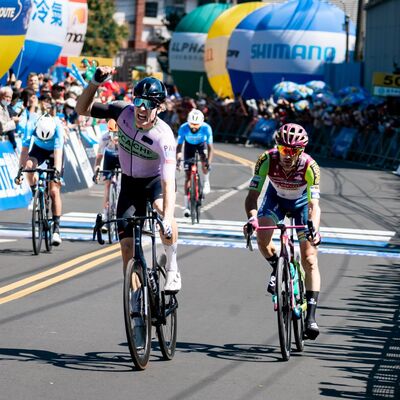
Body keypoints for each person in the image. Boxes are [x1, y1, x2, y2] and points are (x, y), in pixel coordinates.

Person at [76, 67, 181, 293]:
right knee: (126, 249)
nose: (142, 108)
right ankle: (137, 304)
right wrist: (94, 83)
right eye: (139, 101)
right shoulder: (122, 112)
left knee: (163, 209)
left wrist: (168, 217)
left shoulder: (164, 137)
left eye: (150, 103)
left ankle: (172, 268)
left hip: (154, 183)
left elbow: (168, 181)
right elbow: (81, 109)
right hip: (129, 185)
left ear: (159, 108)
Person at [244, 123, 322, 340]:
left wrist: (313, 227)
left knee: (309, 258)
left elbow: (315, 206)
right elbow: (252, 196)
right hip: (275, 199)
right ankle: (276, 267)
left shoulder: (310, 166)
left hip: (301, 204)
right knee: (262, 238)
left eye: (294, 151)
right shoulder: (266, 159)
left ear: (302, 151)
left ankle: (311, 317)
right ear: (277, 146)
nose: (287, 155)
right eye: (283, 149)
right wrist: (252, 219)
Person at [16, 113, 64, 246]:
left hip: (54, 151)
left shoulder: (58, 127)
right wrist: (20, 171)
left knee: (54, 190)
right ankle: (34, 192)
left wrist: (57, 172)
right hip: (38, 149)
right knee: (29, 166)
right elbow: (25, 151)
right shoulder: (31, 125)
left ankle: (56, 230)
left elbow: (58, 154)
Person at [176, 109, 214, 218]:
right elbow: (179, 146)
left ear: (201, 123)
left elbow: (211, 148)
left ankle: (206, 181)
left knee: (204, 160)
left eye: (197, 125)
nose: (194, 127)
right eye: (192, 124)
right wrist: (178, 159)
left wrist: (208, 163)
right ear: (188, 122)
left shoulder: (207, 128)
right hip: (189, 146)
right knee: (188, 176)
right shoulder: (183, 128)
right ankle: (186, 206)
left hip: (202, 145)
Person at [92, 118, 120, 223]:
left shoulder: (126, 137)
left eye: (117, 133)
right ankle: (105, 212)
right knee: (107, 185)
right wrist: (97, 169)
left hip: (122, 158)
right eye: (113, 133)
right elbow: (99, 156)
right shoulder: (104, 138)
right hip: (110, 157)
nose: (115, 136)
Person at [0, 86, 19, 153]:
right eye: (6, 96)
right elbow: (2, 128)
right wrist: (14, 121)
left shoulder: (6, 107)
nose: (8, 99)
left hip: (6, 144)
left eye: (10, 97)